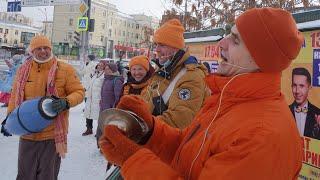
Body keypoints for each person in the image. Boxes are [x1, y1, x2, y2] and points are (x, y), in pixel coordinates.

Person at [99, 8, 304, 179]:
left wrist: (132, 160)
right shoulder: (229, 100)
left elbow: (181, 120)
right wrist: (150, 132)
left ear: (260, 58)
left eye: (235, 39)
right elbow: (189, 151)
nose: (221, 43)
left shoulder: (261, 136)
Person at [3, 35, 84, 180]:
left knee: (47, 175)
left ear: (50, 49)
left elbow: (79, 92)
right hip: (27, 133)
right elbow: (15, 96)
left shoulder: (64, 69)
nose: (43, 51)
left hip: (51, 135)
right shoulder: (23, 70)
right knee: (24, 175)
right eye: (38, 48)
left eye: (46, 48)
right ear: (32, 51)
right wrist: (9, 119)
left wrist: (66, 102)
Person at [142, 19, 209, 129]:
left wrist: (141, 127)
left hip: (171, 143)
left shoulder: (191, 75)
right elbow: (146, 103)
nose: (157, 49)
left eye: (162, 45)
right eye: (156, 44)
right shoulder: (162, 72)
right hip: (155, 140)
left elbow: (178, 121)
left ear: (176, 48)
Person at [95, 63, 124, 145]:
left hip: (111, 110)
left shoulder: (117, 80)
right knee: (101, 126)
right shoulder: (106, 79)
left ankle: (107, 145)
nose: (106, 71)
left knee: (109, 128)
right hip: (103, 108)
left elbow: (117, 97)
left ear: (113, 70)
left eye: (108, 69)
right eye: (106, 69)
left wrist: (114, 108)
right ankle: (100, 144)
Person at [289, 67, 320, 139]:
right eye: (294, 85)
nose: (297, 91)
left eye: (301, 86)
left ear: (309, 87)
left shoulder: (318, 113)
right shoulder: (284, 112)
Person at [82, 60, 107, 136]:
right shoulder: (95, 74)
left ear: (105, 67)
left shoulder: (104, 76)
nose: (99, 66)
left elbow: (104, 88)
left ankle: (99, 131)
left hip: (98, 98)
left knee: (99, 115)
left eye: (101, 65)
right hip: (90, 97)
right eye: (98, 65)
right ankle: (89, 129)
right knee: (88, 113)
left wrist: (102, 98)